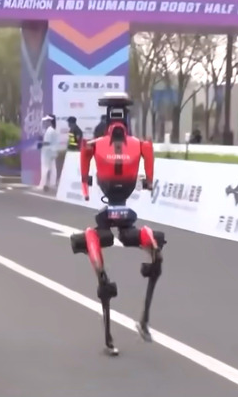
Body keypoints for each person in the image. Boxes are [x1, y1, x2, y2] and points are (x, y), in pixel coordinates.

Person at [69, 92, 166, 356]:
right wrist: (147, 182)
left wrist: (86, 184)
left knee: (100, 239)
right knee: (142, 242)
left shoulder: (95, 144)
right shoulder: (140, 145)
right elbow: (149, 168)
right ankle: (140, 318)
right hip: (124, 210)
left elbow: (85, 160)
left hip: (112, 208)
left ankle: (113, 330)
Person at [36, 114, 60, 191]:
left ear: (50, 121)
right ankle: (52, 183)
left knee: (45, 168)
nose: (45, 122)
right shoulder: (54, 130)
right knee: (53, 168)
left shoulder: (49, 131)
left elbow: (47, 142)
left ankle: (42, 184)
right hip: (53, 152)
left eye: (47, 121)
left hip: (47, 152)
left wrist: (40, 143)